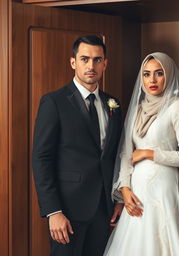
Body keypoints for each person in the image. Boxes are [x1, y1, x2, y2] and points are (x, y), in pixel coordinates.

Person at [32, 35, 123, 256]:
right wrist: (53, 211)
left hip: (104, 212)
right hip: (67, 213)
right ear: (73, 62)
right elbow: (41, 159)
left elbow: (117, 155)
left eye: (97, 60)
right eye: (84, 59)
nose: (91, 66)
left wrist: (118, 198)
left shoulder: (113, 104)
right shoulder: (54, 102)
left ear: (105, 64)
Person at [104, 52, 179, 256]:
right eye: (146, 74)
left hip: (164, 191)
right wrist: (125, 190)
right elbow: (126, 154)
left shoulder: (176, 107)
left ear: (168, 75)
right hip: (137, 193)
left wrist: (147, 153)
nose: (152, 80)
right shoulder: (137, 109)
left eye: (158, 73)